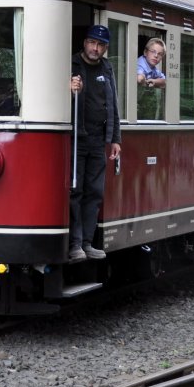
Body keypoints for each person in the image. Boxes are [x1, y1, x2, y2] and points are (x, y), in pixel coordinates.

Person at [68, 24, 121, 262]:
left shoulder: (106, 69)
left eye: (100, 45)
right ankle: (74, 244)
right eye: (92, 42)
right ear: (84, 43)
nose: (95, 48)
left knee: (95, 192)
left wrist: (116, 139)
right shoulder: (70, 65)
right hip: (76, 138)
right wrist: (67, 89)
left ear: (105, 48)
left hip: (99, 140)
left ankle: (87, 242)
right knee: (75, 191)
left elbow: (113, 105)